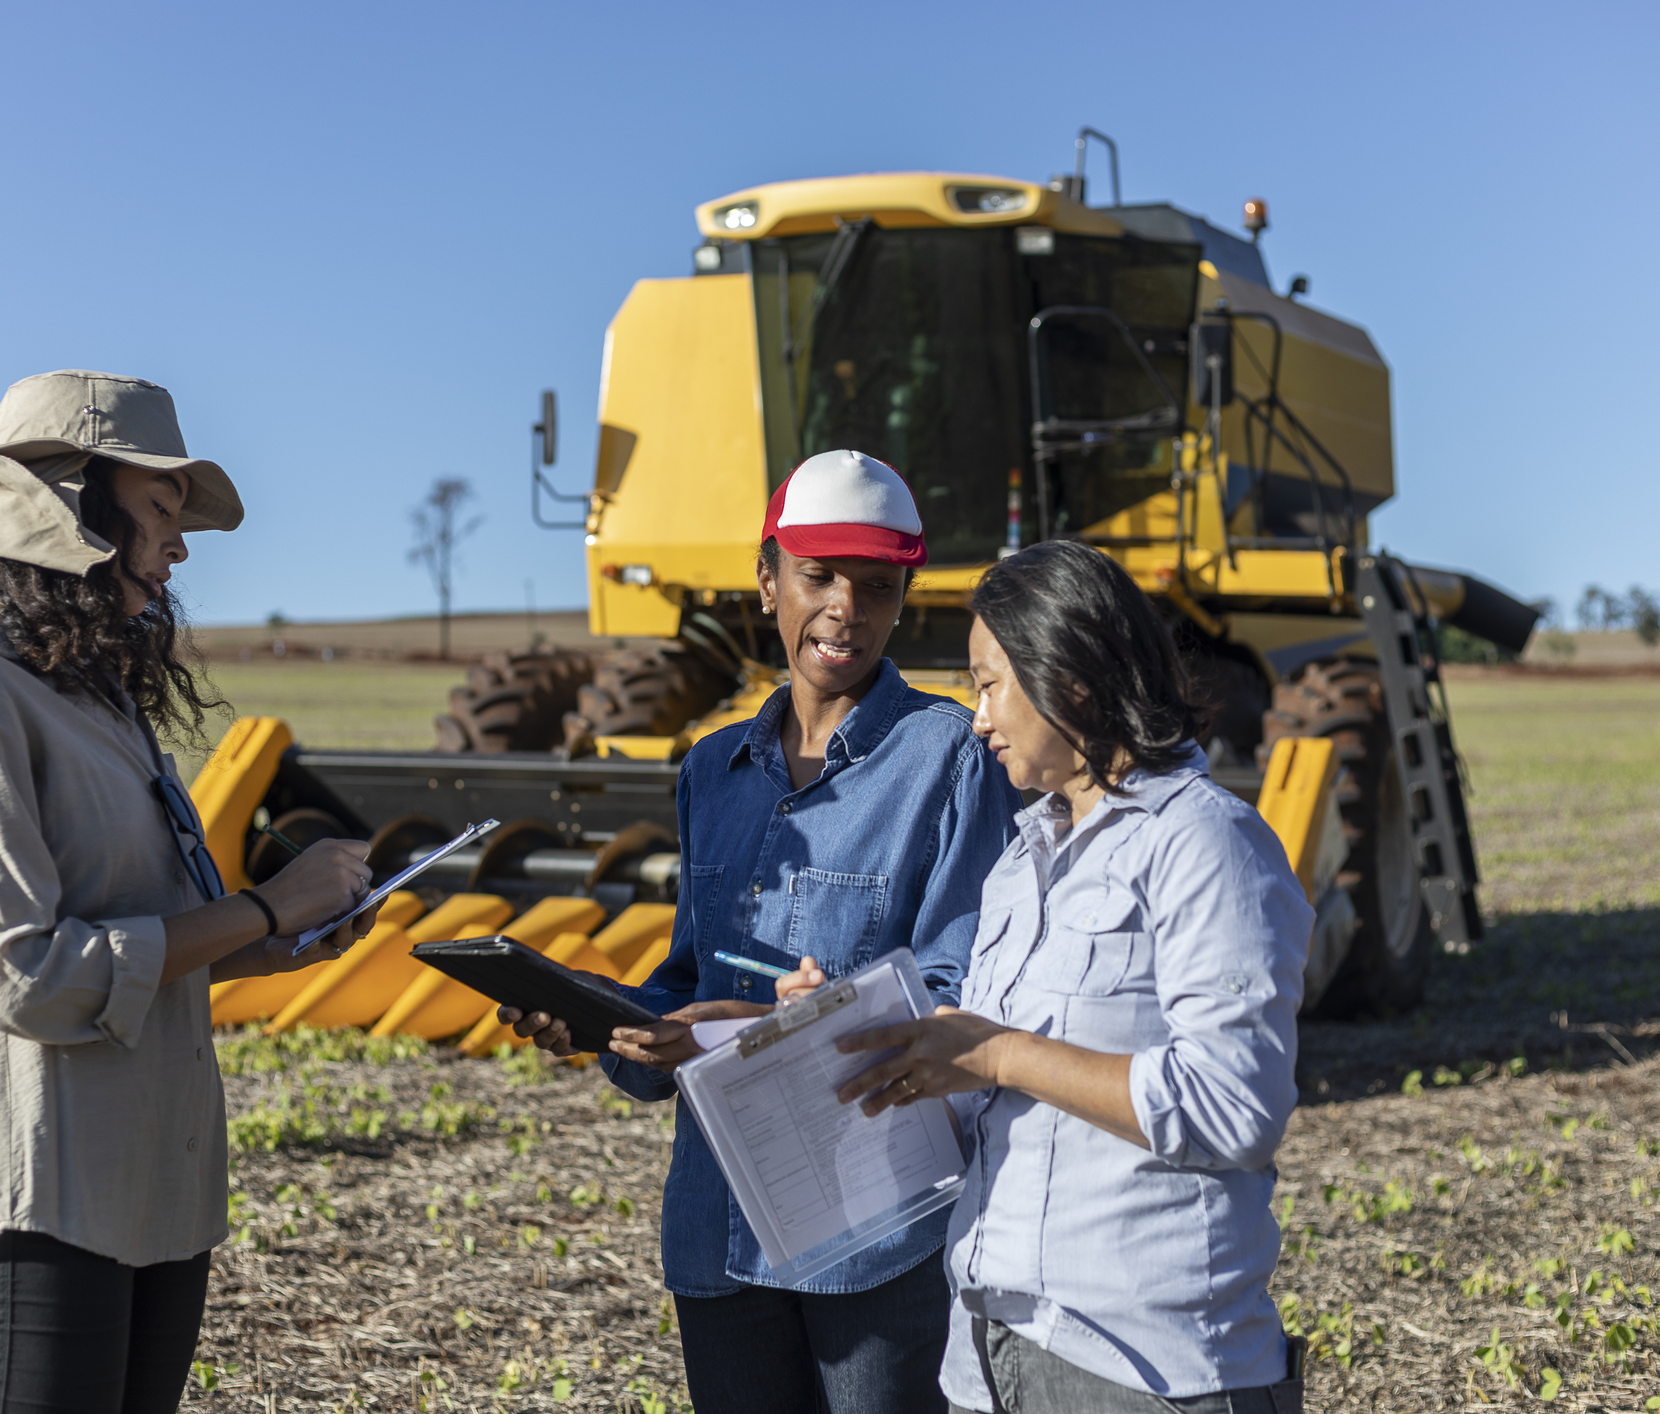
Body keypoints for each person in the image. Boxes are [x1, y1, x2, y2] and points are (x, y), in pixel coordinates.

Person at [0, 370, 379, 1414]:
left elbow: (152, 927)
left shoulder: (95, 693)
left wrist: (290, 935)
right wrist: (263, 909)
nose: (181, 544)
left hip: (158, 1195)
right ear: (70, 505)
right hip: (42, 1201)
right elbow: (26, 976)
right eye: (160, 509)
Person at [502, 450, 1020, 1414]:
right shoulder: (710, 769)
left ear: (903, 597)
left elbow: (961, 986)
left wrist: (773, 1020)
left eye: (874, 586)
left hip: (870, 1229)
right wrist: (598, 1020)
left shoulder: (948, 755)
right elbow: (688, 975)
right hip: (717, 1223)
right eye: (818, 577)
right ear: (766, 577)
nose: (844, 609)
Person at [825, 540, 1312, 1414]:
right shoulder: (1019, 864)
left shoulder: (1206, 844)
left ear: (1071, 676)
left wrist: (1001, 1052)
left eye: (988, 684)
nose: (977, 719)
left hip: (1143, 1368)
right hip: (988, 1355)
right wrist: (852, 1038)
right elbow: (985, 1098)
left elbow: (1235, 1109)